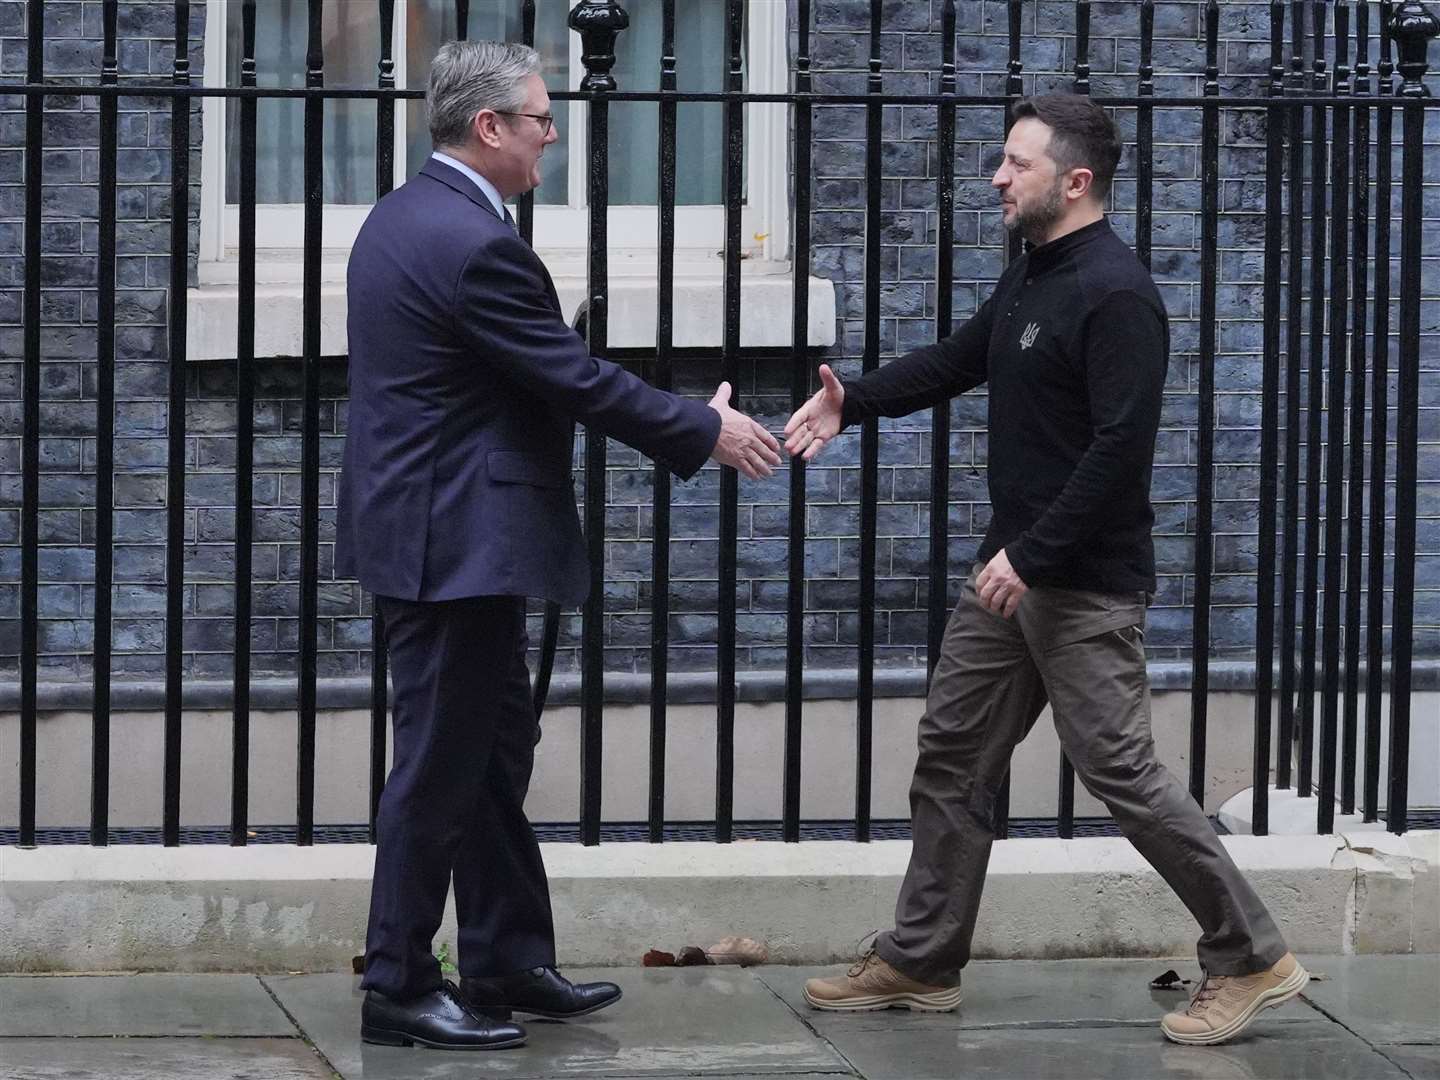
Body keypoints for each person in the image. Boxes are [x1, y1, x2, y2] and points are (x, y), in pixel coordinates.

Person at [784, 93, 1307, 1047]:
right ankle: (920, 958)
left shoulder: (1117, 294)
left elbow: (1119, 452)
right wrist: (847, 402)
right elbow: (958, 360)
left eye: (1016, 163)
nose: (996, 176)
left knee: (1123, 773)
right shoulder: (1036, 274)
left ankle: (1251, 955)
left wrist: (1031, 555)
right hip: (1011, 576)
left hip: (1078, 583)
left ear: (1074, 181)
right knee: (953, 754)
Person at [336, 40, 781, 1052]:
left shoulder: (402, 218)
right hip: (454, 544)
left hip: (432, 531)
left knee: (489, 756)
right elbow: (569, 377)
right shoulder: (475, 244)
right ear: (488, 127)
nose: (551, 136)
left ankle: (504, 957)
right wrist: (701, 428)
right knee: (441, 768)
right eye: (538, 119)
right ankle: (401, 982)